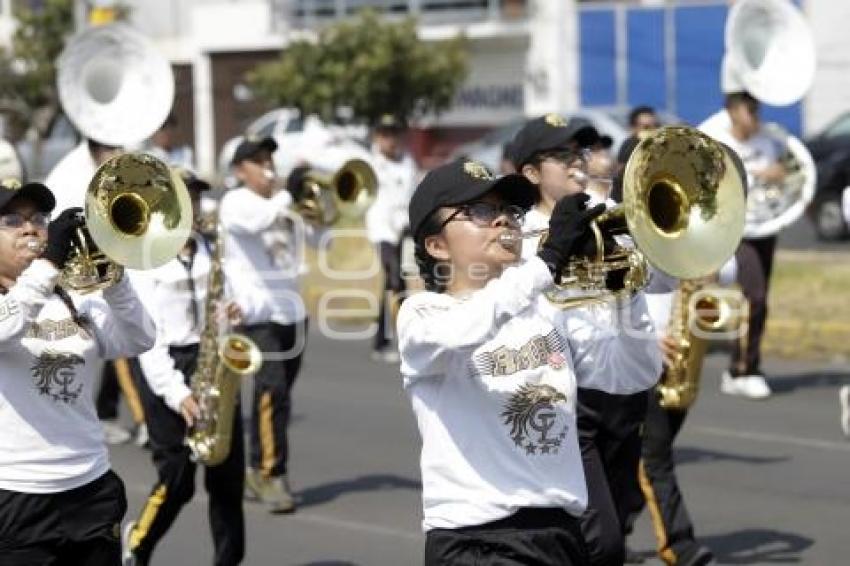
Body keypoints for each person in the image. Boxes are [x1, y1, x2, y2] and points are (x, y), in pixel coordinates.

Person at [398, 158, 661, 565]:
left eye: (511, 211)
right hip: (477, 539)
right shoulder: (423, 314)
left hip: (560, 532)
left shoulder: (548, 306)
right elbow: (465, 329)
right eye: (482, 212)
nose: (504, 221)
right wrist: (549, 259)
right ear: (436, 245)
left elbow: (632, 373)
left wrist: (624, 290)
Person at [510, 114, 649, 565]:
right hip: (567, 404)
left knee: (619, 525)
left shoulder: (608, 219)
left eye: (579, 154)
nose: (576, 164)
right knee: (602, 542)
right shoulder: (516, 240)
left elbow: (659, 285)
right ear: (531, 173)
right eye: (562, 156)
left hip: (623, 395)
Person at [0, 179, 155, 564]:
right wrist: (50, 262)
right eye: (11, 220)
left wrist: (114, 275)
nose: (31, 228)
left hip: (90, 486)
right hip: (17, 494)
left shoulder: (69, 295)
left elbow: (140, 339)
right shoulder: (31, 289)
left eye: (39, 218)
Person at [122, 169, 248, 566]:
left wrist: (232, 311)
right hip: (166, 366)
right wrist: (178, 394)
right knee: (177, 481)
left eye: (194, 199)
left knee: (227, 481)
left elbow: (224, 302)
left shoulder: (211, 249)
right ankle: (137, 546)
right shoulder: (143, 263)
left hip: (210, 363)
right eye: (183, 199)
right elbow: (148, 341)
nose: (193, 207)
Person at [219, 135, 323, 514]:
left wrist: (315, 208)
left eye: (270, 159)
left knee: (277, 398)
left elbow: (320, 241)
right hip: (257, 314)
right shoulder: (236, 203)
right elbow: (257, 222)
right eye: (258, 160)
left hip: (291, 312)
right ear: (239, 170)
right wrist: (288, 196)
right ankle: (271, 473)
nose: (267, 166)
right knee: (271, 392)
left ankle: (254, 468)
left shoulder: (284, 204)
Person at [45, 137, 148, 443]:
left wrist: (116, 280)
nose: (120, 153)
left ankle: (109, 414)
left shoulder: (121, 172)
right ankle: (139, 419)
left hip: (105, 287)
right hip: (70, 288)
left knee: (120, 354)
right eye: (112, 148)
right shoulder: (67, 175)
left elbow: (142, 338)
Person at [699, 91, 786, 400]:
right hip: (737, 229)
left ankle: (744, 364)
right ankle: (742, 370)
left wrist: (778, 173)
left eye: (757, 108)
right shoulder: (716, 138)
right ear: (734, 111)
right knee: (755, 295)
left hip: (766, 225)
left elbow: (784, 172)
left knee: (758, 299)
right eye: (750, 109)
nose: (756, 115)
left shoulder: (765, 140)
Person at [364, 114, 417, 363]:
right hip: (382, 230)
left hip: (404, 229)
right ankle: (398, 339)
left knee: (397, 283)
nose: (390, 139)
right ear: (377, 137)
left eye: (394, 133)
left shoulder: (407, 162)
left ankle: (384, 340)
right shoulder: (370, 163)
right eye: (385, 134)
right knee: (394, 279)